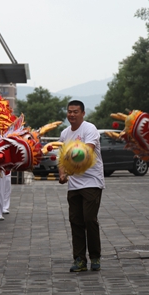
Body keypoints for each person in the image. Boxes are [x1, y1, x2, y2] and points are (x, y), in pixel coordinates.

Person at [58, 100, 105, 272]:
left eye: (75, 111)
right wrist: (62, 174)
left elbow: (87, 151)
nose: (72, 114)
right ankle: (79, 259)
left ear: (83, 113)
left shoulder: (89, 129)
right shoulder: (64, 133)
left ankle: (95, 256)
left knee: (89, 219)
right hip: (74, 184)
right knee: (75, 221)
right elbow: (62, 157)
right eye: (69, 111)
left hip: (92, 181)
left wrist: (72, 157)